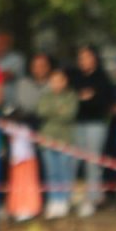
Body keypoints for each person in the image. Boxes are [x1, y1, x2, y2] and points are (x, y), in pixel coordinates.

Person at [70, 45, 116, 217]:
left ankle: (92, 199)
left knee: (93, 163)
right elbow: (73, 100)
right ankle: (75, 199)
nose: (84, 61)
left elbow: (105, 102)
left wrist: (90, 99)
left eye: (87, 57)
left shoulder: (102, 78)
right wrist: (87, 98)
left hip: (96, 125)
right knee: (75, 163)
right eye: (81, 58)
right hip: (77, 125)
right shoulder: (75, 77)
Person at [37, 69, 78, 219]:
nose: (56, 84)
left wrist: (53, 112)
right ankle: (54, 200)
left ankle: (64, 201)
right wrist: (58, 111)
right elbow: (41, 111)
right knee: (52, 172)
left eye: (59, 80)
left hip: (65, 140)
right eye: (53, 81)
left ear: (65, 81)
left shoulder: (71, 96)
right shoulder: (45, 96)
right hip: (47, 139)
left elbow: (69, 114)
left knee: (64, 171)